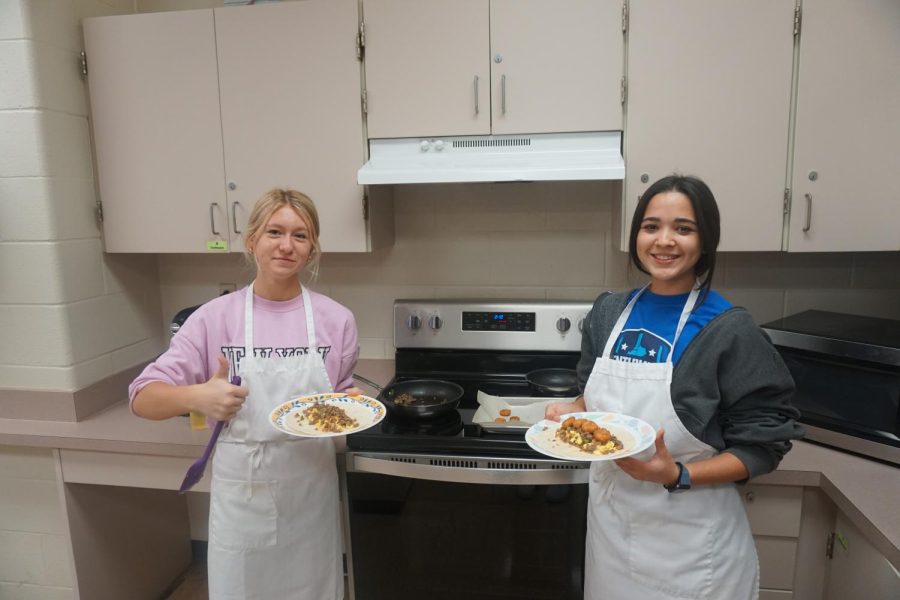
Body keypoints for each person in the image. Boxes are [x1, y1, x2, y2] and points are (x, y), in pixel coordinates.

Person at [545, 174, 802, 600]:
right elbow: (593, 393)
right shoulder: (609, 312)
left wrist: (677, 474)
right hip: (611, 528)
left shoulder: (728, 330)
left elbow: (764, 445)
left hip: (690, 543)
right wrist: (573, 411)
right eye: (651, 226)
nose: (664, 241)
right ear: (636, 236)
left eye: (683, 228)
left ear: (705, 241)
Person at [129, 188, 359, 599]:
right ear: (251, 239)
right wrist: (197, 397)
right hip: (244, 496)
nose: (287, 245)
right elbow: (142, 397)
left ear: (312, 249)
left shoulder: (336, 321)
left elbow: (337, 403)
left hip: (311, 494)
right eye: (274, 231)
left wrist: (348, 409)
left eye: (300, 235)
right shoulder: (214, 318)